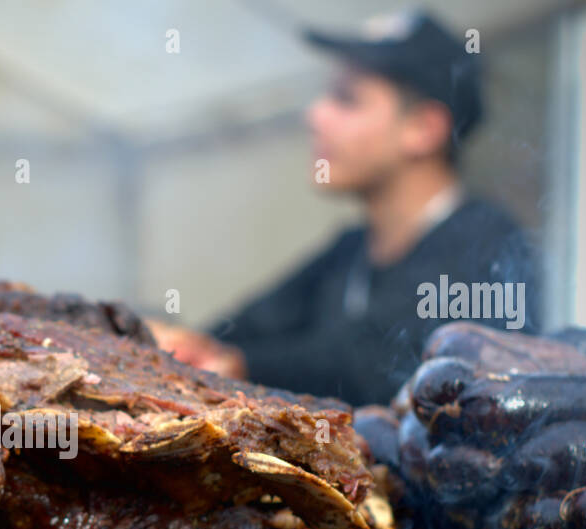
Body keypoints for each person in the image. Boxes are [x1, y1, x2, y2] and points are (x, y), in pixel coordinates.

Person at [153, 10, 541, 406]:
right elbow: (246, 327)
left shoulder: (488, 244)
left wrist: (241, 363)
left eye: (347, 99)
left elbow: (381, 362)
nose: (315, 115)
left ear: (423, 128)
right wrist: (180, 343)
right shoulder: (350, 251)